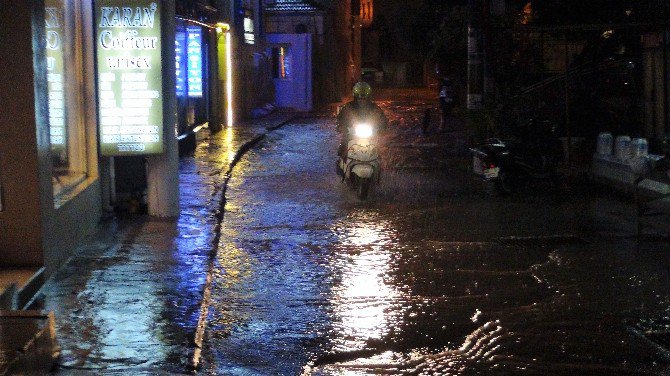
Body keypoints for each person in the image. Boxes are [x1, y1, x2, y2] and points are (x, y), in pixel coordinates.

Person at [336, 81, 388, 166]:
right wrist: (341, 126)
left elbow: (382, 119)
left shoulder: (374, 108)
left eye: (364, 95)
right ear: (356, 94)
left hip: (371, 135)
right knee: (344, 147)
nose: (362, 98)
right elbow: (341, 118)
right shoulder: (349, 107)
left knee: (378, 153)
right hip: (351, 134)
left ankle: (377, 170)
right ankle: (343, 166)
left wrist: (383, 128)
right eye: (360, 94)